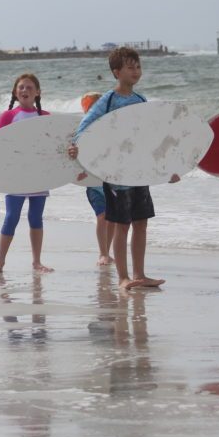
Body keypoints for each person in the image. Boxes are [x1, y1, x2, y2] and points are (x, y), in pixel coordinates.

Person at [68, 47, 177, 289]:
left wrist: (167, 167)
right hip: (116, 174)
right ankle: (123, 277)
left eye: (138, 66)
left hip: (139, 172)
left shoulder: (140, 101)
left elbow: (150, 138)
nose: (136, 71)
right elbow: (85, 127)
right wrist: (78, 148)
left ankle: (140, 274)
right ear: (117, 72)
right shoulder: (107, 101)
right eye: (130, 67)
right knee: (121, 225)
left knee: (141, 222)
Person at [0, 74, 54, 274]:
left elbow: (57, 146)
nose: (25, 90)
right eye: (21, 87)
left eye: (30, 87)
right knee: (12, 217)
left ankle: (37, 262)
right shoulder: (8, 116)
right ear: (15, 92)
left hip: (39, 174)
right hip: (15, 174)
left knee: (36, 218)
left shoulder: (46, 117)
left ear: (38, 92)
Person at [81, 92, 115, 266]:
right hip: (94, 184)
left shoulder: (111, 129)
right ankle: (103, 253)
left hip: (112, 184)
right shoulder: (83, 131)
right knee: (102, 216)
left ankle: (107, 252)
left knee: (113, 220)